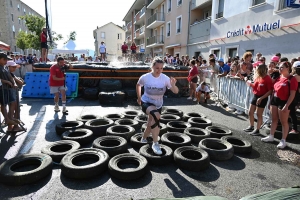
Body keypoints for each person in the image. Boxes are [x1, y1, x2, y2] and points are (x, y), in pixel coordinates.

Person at [136, 57, 179, 155]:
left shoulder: (165, 78)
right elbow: (138, 85)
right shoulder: (145, 77)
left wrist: (173, 85)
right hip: (146, 101)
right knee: (156, 116)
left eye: (161, 68)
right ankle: (155, 143)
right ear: (152, 67)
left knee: (150, 123)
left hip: (158, 104)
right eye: (157, 68)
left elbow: (176, 91)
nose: (159, 70)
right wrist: (139, 97)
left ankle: (143, 139)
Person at [261, 61, 296, 149]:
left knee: (284, 122)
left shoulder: (292, 79)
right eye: (279, 67)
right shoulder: (278, 78)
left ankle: (283, 140)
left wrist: (287, 106)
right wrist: (270, 102)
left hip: (284, 102)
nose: (280, 69)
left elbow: (292, 94)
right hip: (275, 101)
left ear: (288, 68)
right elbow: (274, 91)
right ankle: (271, 136)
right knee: (274, 119)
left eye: (282, 67)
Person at [243, 64, 273, 135]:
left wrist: (261, 98)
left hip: (263, 97)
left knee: (259, 114)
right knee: (250, 112)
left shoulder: (268, 78)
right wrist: (247, 81)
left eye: (257, 69)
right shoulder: (258, 77)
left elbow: (270, 91)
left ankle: (257, 129)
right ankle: (251, 126)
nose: (256, 70)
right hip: (256, 96)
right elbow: (254, 86)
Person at [0, 53, 19, 127]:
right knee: (3, 104)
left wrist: (14, 83)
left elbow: (10, 77)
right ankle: (7, 119)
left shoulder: (5, 67)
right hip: (2, 88)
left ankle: (11, 117)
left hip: (9, 88)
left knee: (12, 102)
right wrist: (6, 81)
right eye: (4, 59)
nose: (5, 61)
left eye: (6, 60)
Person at [7, 60, 24, 133]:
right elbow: (20, 82)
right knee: (16, 109)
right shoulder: (9, 74)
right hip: (11, 93)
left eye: (15, 67)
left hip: (8, 92)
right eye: (13, 67)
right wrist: (18, 80)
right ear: (8, 67)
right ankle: (15, 126)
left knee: (11, 109)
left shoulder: (7, 73)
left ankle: (10, 127)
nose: (15, 68)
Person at [289, 61, 300, 134]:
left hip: (294, 95)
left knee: (292, 112)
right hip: (297, 95)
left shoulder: (294, 76)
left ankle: (294, 128)